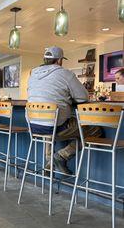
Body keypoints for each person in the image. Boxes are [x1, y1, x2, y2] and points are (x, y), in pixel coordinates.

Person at [27, 46, 101, 174]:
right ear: (60, 60)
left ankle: (49, 164)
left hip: (34, 127)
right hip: (56, 128)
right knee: (94, 130)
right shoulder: (65, 73)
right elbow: (83, 97)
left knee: (49, 121)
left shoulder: (33, 73)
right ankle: (61, 156)